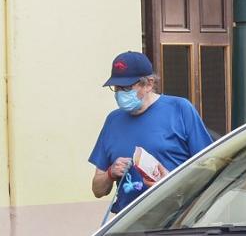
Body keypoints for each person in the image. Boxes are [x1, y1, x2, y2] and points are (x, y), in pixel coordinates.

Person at [90, 51, 214, 216]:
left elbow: (210, 167)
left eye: (126, 87)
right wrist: (110, 173)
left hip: (176, 220)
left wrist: (171, 181)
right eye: (117, 88)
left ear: (149, 84)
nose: (120, 93)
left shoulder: (179, 109)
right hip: (127, 222)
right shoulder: (113, 120)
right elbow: (97, 190)